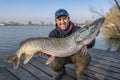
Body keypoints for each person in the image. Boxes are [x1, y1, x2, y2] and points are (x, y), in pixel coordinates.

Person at [40, 9, 95, 80]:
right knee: (53, 64)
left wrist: (90, 37)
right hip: (61, 55)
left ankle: (78, 72)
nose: (62, 22)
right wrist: (44, 52)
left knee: (86, 57)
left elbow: (90, 45)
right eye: (59, 19)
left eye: (64, 19)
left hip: (75, 54)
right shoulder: (53, 34)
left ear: (68, 18)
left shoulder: (77, 29)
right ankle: (60, 71)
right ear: (56, 21)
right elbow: (51, 52)